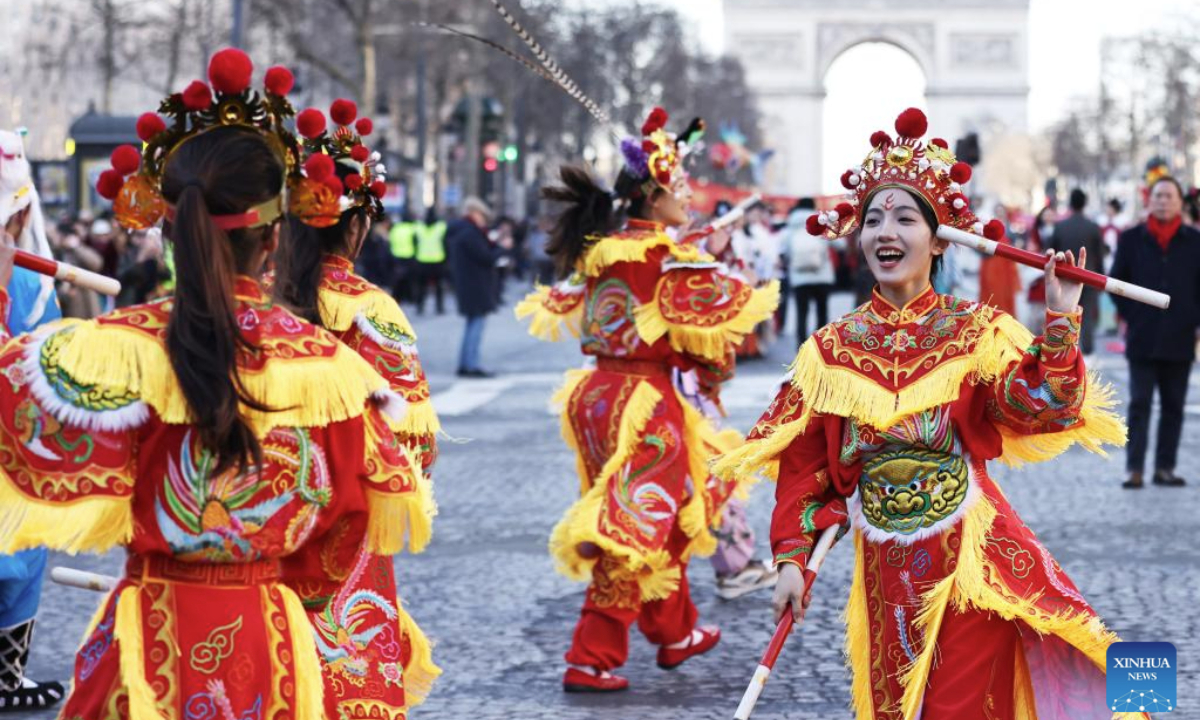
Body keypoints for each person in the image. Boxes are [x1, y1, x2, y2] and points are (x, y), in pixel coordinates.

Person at [0, 50, 420, 716]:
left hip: (146, 637)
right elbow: (341, 538)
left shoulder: (111, 350)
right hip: (267, 644)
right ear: (274, 237)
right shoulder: (330, 372)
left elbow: (19, 432)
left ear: (170, 227)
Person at [717, 108, 1138, 720]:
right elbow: (806, 465)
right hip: (885, 571)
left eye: (905, 218)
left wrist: (1060, 316)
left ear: (940, 240)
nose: (886, 231)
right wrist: (791, 560)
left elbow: (1045, 406)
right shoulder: (829, 351)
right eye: (873, 219)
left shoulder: (977, 332)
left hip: (970, 556)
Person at [516, 107, 778, 692]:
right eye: (678, 186)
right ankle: (592, 654)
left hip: (597, 397)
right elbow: (714, 328)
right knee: (631, 524)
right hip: (644, 402)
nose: (686, 195)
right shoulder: (665, 258)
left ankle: (673, 627)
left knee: (662, 508)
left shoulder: (604, 248)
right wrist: (712, 368)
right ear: (654, 194)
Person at [271, 98, 442, 717]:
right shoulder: (369, 308)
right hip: (343, 519)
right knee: (346, 674)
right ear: (358, 223)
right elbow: (413, 438)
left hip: (258, 519)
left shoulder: (258, 301)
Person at [0, 127, 65, 709]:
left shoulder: (32, 286)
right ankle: (5, 673)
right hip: (14, 454)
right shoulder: (35, 288)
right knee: (18, 554)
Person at [1110, 176, 1200, 489]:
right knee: (1139, 404)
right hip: (1143, 336)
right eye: (1158, 195)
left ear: (1179, 202)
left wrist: (1194, 320)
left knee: (1174, 406)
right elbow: (1116, 282)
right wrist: (1131, 316)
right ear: (1150, 200)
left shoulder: (1194, 240)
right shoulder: (1132, 238)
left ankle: (1165, 467)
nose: (1163, 201)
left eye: (1169, 196)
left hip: (1180, 335)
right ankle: (1134, 468)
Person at [448, 196, 508, 378]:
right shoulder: (470, 233)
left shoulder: (462, 231)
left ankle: (466, 363)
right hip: (475, 285)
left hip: (469, 284)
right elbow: (485, 258)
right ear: (474, 213)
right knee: (476, 325)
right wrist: (502, 248)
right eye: (482, 215)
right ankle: (470, 364)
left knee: (472, 324)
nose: (484, 219)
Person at [1046, 189, 1106, 356]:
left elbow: (1051, 251)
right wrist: (1101, 279)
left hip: (1065, 278)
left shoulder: (1060, 227)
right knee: (1087, 317)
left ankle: (1066, 352)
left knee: (1065, 313)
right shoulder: (1093, 227)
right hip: (1089, 277)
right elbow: (1099, 255)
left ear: (1070, 203)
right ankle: (1086, 351)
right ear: (1084, 203)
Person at [783, 197, 839, 348]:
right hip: (822, 276)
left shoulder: (791, 226)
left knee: (802, 312)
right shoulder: (822, 223)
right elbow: (841, 244)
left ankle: (800, 347)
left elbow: (783, 250)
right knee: (822, 311)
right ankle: (821, 346)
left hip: (799, 277)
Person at [977, 204, 1020, 316]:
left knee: (1005, 295)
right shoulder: (989, 229)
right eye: (998, 211)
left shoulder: (1011, 230)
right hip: (991, 268)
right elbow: (981, 247)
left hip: (1006, 270)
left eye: (1002, 211)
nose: (1000, 214)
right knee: (991, 295)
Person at [414, 207, 448, 315]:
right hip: (438, 261)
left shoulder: (418, 227)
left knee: (422, 286)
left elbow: (414, 242)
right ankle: (439, 307)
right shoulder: (441, 227)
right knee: (439, 286)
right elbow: (446, 244)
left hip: (422, 260)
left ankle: (420, 306)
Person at [389, 209, 419, 304]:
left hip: (396, 257)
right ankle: (410, 298)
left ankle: (397, 297)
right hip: (409, 256)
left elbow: (390, 242)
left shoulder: (395, 229)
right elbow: (416, 242)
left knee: (398, 280)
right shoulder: (412, 228)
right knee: (410, 280)